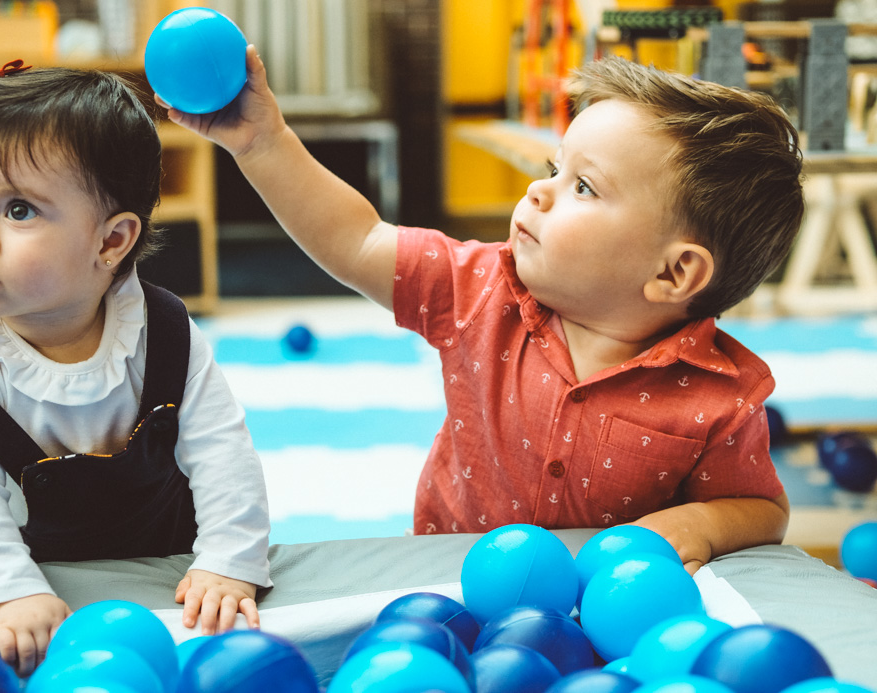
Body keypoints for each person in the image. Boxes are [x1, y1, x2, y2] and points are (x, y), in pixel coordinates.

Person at [163, 52, 803, 575]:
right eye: (555, 167)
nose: (538, 188)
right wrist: (262, 143)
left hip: (605, 608)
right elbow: (356, 240)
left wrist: (696, 524)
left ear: (673, 273)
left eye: (583, 186)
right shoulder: (478, 292)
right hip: (450, 579)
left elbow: (759, 506)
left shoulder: (719, 396)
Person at [0, 62, 271, 676]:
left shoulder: (164, 336)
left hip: (164, 572)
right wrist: (7, 590)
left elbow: (222, 454)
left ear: (111, 242)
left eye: (19, 210)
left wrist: (228, 561)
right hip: (34, 582)